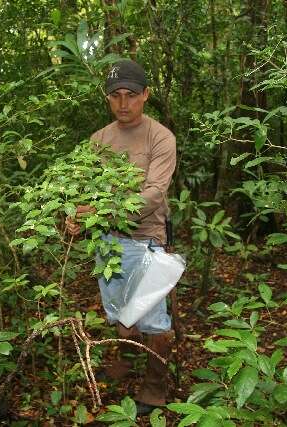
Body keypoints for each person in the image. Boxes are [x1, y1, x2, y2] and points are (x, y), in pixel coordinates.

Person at [65, 59, 177, 414]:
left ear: (145, 95)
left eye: (131, 95)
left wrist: (99, 212)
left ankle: (155, 386)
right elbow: (83, 190)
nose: (123, 103)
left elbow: (155, 193)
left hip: (147, 238)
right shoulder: (99, 140)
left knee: (154, 318)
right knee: (119, 311)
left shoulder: (160, 136)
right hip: (107, 241)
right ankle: (127, 359)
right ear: (107, 98)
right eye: (116, 96)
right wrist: (74, 216)